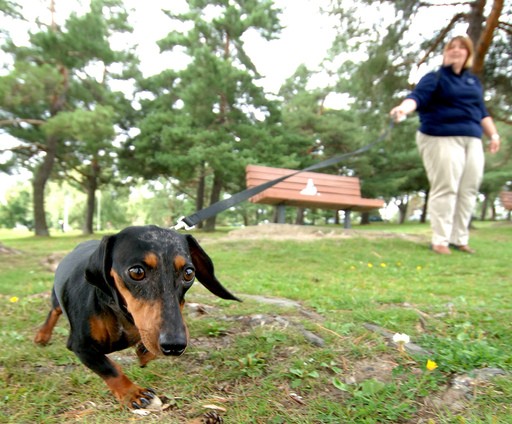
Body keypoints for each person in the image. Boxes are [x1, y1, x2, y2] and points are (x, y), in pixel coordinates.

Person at [390, 36, 501, 255]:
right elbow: (417, 97)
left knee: (468, 189)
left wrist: (494, 135)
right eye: (451, 47)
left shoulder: (472, 82)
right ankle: (440, 239)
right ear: (445, 52)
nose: (456, 50)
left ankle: (459, 238)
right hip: (440, 136)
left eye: (461, 47)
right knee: (446, 186)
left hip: (472, 138)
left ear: (468, 54)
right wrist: (403, 109)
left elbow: (482, 112)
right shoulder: (435, 77)